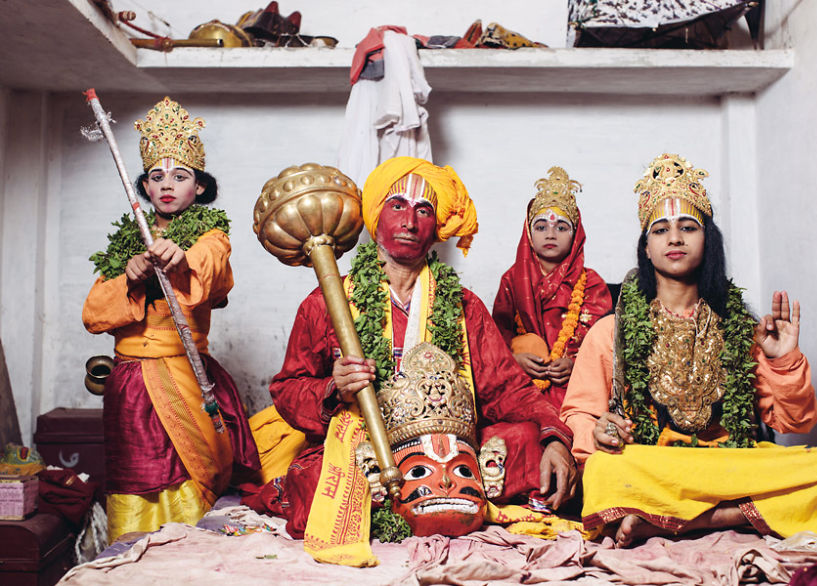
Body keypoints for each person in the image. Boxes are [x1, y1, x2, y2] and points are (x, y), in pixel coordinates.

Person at [244, 157, 577, 549]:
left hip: (452, 445)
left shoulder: (464, 305)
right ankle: (445, 499)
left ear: (435, 227)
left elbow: (507, 389)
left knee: (525, 440)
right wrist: (334, 388)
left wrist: (556, 437)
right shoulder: (326, 302)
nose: (410, 221)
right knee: (318, 476)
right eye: (397, 205)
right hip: (365, 442)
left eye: (424, 210)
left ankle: (414, 499)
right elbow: (288, 389)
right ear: (375, 216)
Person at [560, 153, 817, 547]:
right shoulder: (611, 332)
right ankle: (743, 514)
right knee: (604, 472)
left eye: (687, 227)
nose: (674, 238)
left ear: (706, 241)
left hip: (732, 463)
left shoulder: (743, 331)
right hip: (658, 464)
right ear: (646, 248)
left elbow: (794, 423)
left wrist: (783, 360)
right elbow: (578, 412)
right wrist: (598, 430)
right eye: (660, 230)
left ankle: (686, 520)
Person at [82, 97, 259, 542]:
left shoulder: (211, 235)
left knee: (196, 468)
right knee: (138, 469)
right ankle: (132, 552)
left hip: (185, 370)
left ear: (199, 187)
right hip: (132, 381)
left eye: (180, 176)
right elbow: (95, 312)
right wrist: (131, 275)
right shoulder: (128, 241)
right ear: (143, 185)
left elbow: (211, 273)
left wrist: (180, 261)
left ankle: (188, 550)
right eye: (156, 176)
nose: (167, 185)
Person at [493, 166, 612, 409]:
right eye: (541, 227)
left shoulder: (592, 284)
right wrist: (514, 359)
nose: (551, 234)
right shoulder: (512, 279)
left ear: (575, 235)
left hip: (576, 382)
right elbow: (497, 335)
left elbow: (602, 343)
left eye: (561, 227)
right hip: (523, 381)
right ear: (529, 234)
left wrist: (574, 363)